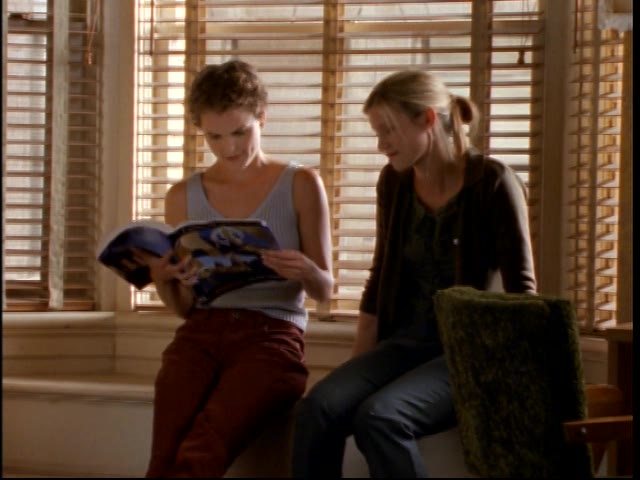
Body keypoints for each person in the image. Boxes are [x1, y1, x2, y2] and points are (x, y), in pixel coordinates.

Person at [291, 69, 537, 478]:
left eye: (388, 130)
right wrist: (357, 370)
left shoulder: (492, 181)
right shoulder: (394, 181)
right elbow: (380, 275)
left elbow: (522, 293)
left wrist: (507, 378)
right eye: (377, 133)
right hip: (403, 343)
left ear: (427, 119)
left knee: (381, 418)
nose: (381, 145)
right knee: (318, 408)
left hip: (466, 351)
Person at [140, 59, 333, 478]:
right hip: (201, 333)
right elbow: (186, 308)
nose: (229, 148)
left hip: (272, 335)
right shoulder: (182, 196)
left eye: (240, 132)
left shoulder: (301, 184)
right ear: (201, 131)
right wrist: (163, 279)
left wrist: (305, 270)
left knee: (202, 449)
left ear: (262, 117)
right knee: (164, 454)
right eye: (215, 137)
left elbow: (325, 291)